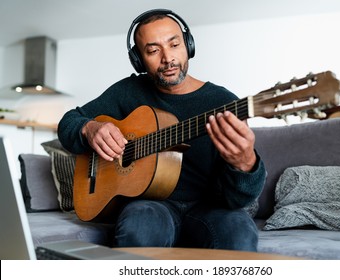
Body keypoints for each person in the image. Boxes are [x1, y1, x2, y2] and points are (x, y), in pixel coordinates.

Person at [58, 9, 266, 251]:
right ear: (139, 60)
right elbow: (68, 122)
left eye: (174, 44)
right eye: (153, 50)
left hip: (211, 208)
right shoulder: (128, 92)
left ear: (188, 45)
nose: (168, 58)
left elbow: (239, 199)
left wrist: (244, 163)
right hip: (151, 206)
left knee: (238, 233)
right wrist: (89, 128)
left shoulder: (224, 103)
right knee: (139, 227)